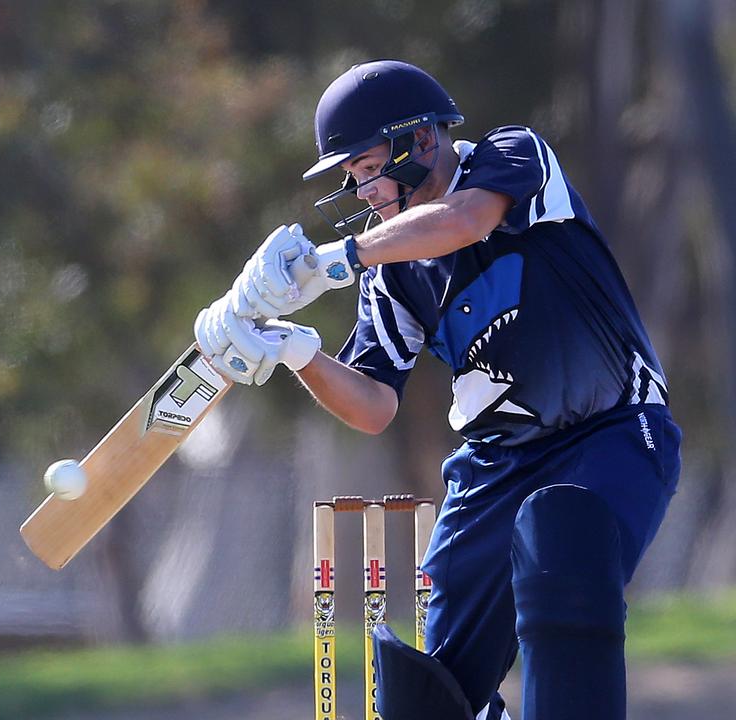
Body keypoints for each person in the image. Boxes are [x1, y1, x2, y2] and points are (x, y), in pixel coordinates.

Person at [194, 60, 681, 720]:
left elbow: (468, 220)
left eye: (367, 167)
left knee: (565, 555)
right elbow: (372, 403)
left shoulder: (514, 156)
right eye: (351, 176)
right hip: (496, 468)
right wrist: (293, 349)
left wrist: (332, 262)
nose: (362, 190)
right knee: (430, 696)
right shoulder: (388, 273)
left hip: (614, 432)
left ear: (420, 140)